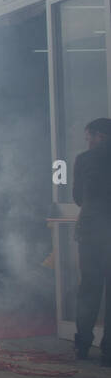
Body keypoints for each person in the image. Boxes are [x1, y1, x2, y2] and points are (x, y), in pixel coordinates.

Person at [73, 117, 111, 362]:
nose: (87, 142)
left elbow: (78, 198)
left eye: (88, 137)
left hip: (91, 231)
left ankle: (84, 345)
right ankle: (109, 352)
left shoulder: (84, 160)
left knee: (89, 289)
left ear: (99, 135)